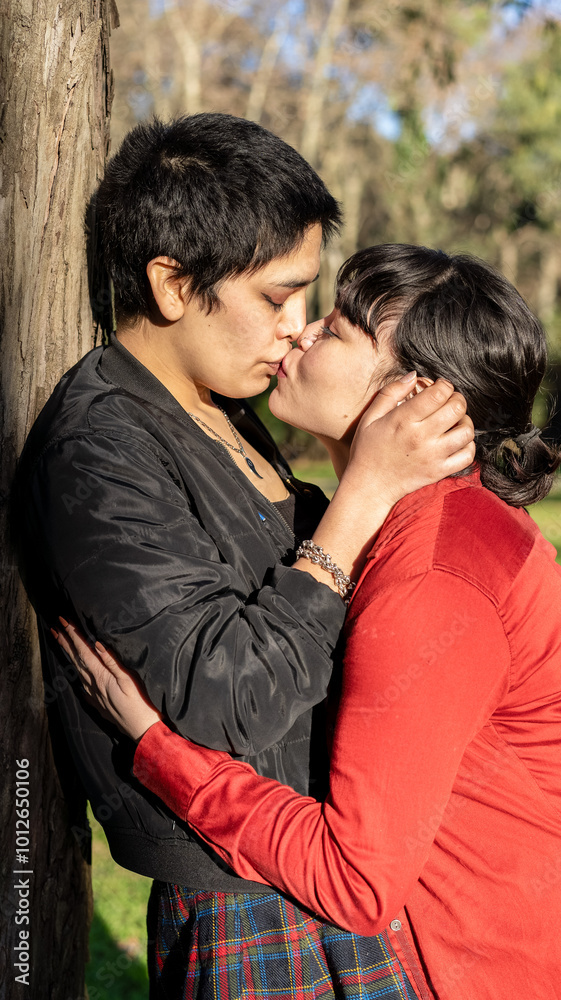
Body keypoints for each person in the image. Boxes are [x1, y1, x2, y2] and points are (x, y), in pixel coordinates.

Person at [59, 244, 561, 1000]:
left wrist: (160, 749)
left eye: (341, 329)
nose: (302, 331)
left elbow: (354, 879)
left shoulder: (434, 575)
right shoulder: (422, 521)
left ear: (416, 397)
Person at [13, 118, 475, 1000]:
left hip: (325, 864)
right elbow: (228, 697)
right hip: (243, 896)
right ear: (174, 284)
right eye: (277, 298)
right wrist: (359, 499)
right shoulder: (100, 450)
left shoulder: (217, 404)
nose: (296, 330)